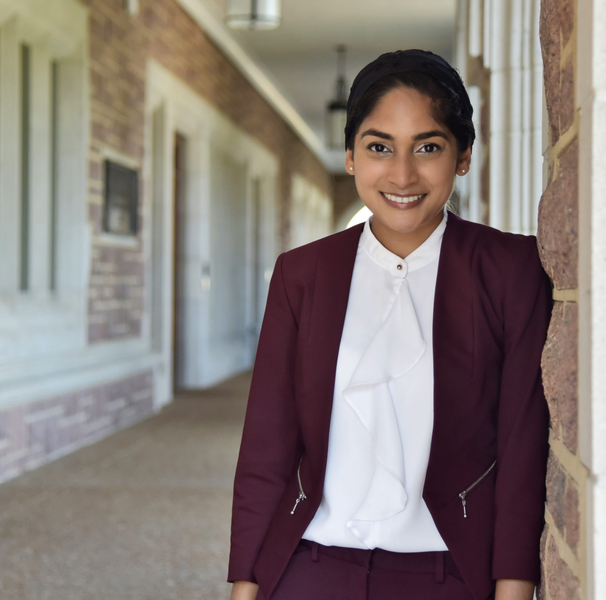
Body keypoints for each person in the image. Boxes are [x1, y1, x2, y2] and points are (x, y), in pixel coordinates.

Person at [228, 49, 551, 600]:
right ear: (351, 155)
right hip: (309, 571)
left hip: (447, 576)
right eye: (379, 147)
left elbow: (523, 447)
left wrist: (514, 588)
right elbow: (267, 446)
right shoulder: (302, 274)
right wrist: (245, 586)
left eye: (428, 147)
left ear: (464, 155)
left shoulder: (511, 270)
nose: (402, 174)